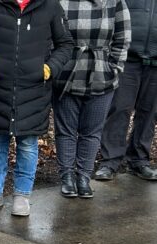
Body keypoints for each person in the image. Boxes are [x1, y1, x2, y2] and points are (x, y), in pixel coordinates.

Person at [0, 0, 73, 216]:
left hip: (34, 90)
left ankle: (22, 195)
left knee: (27, 144)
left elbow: (65, 44)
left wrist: (49, 69)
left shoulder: (50, 7)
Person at [54, 0, 131, 198]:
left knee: (92, 131)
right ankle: (67, 177)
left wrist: (114, 68)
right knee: (66, 130)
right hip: (66, 73)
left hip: (102, 74)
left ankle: (83, 177)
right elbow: (48, 34)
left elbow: (123, 36)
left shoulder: (115, 2)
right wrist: (54, 66)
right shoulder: (58, 1)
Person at [94, 0, 157, 182]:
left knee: (149, 113)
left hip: (155, 64)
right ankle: (110, 162)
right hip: (128, 59)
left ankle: (139, 161)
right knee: (119, 109)